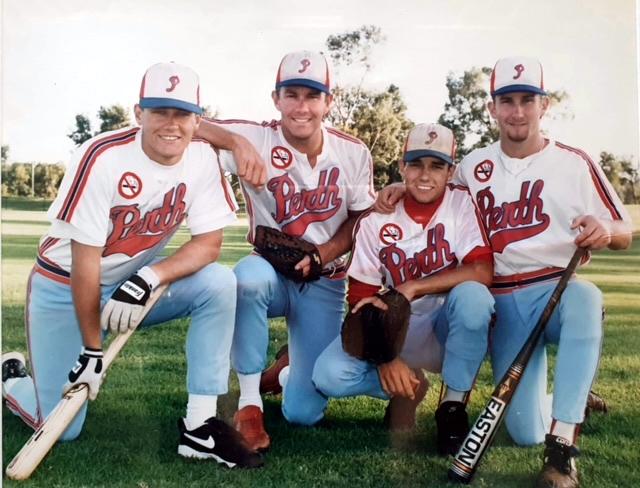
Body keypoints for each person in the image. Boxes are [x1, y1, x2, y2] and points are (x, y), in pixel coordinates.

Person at [377, 57, 632, 487]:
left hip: (557, 288)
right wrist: (405, 187)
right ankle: (571, 398)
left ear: (543, 106)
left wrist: (606, 228)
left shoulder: (573, 162)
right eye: (507, 101)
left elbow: (624, 229)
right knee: (524, 429)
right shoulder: (475, 166)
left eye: (526, 100)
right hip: (504, 301)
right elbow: (434, 192)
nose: (517, 111)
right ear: (492, 107)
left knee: (588, 298)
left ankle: (563, 452)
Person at [1, 62, 265, 469]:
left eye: (182, 114)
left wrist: (149, 276)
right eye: (160, 111)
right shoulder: (102, 156)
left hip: (132, 284)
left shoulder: (201, 159)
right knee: (63, 428)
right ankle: (12, 379)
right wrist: (93, 351)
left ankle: (199, 427)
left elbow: (210, 244)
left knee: (218, 283)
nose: (171, 124)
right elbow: (85, 264)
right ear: (139, 113)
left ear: (199, 120)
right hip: (63, 286)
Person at [196, 50, 376, 452]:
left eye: (312, 96)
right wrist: (235, 141)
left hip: (324, 280)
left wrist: (324, 253)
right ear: (275, 99)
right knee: (246, 279)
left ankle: (283, 372)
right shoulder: (258, 135)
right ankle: (248, 403)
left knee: (304, 413)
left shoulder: (352, 151)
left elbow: (361, 218)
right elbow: (187, 124)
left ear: (329, 101)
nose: (301, 106)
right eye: (290, 94)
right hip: (271, 272)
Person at [311, 123, 495, 455]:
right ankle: (410, 386)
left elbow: (482, 270)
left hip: (444, 327)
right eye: (416, 164)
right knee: (328, 375)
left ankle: (452, 409)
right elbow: (360, 298)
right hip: (395, 327)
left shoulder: (460, 204)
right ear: (401, 166)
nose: (425, 175)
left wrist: (416, 286)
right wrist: (386, 359)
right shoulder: (376, 219)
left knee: (475, 297)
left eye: (437, 165)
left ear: (451, 171)